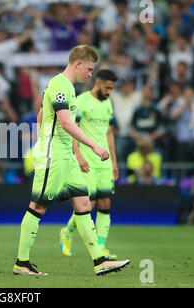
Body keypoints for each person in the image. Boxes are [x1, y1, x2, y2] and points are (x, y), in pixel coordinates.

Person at [13, 45, 129, 276]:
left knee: (84, 204)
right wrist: (93, 145)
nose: (90, 74)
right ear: (78, 64)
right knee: (38, 205)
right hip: (54, 155)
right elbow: (66, 123)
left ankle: (99, 260)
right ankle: (21, 263)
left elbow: (40, 117)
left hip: (66, 154)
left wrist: (48, 134)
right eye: (88, 68)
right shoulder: (60, 85)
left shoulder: (67, 88)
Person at [59, 69, 119, 261]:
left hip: (105, 162)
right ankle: (67, 231)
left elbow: (109, 133)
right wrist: (78, 155)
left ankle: (101, 247)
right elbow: (72, 129)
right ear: (98, 83)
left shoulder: (108, 103)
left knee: (105, 203)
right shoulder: (82, 101)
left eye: (112, 88)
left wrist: (114, 162)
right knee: (89, 204)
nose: (109, 92)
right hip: (87, 160)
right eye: (107, 87)